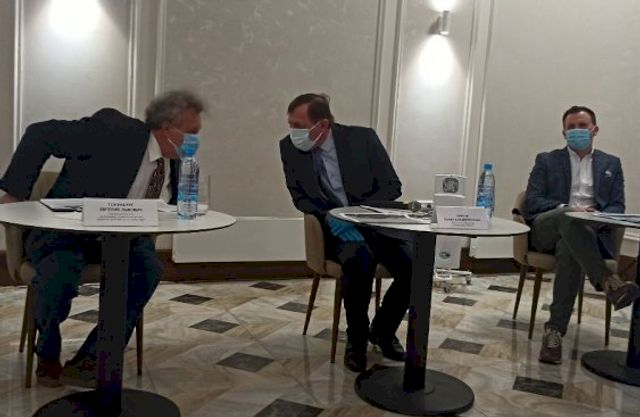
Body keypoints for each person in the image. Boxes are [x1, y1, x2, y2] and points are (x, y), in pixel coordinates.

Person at [0, 90, 205, 386]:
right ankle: (47, 350)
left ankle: (94, 359)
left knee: (148, 269)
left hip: (120, 240)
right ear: (167, 127)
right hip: (65, 233)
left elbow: (170, 207)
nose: (196, 140)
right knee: (59, 274)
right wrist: (15, 192)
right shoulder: (113, 129)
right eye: (193, 132)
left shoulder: (173, 160)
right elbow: (39, 134)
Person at [279, 93, 411, 372]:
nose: (293, 132)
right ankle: (356, 340)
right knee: (359, 260)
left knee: (414, 265)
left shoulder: (362, 139)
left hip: (376, 225)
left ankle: (383, 331)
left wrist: (355, 215)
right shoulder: (288, 148)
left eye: (298, 126)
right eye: (290, 124)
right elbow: (299, 197)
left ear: (323, 124)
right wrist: (330, 217)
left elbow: (392, 186)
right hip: (336, 231)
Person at [524, 105, 640, 365]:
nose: (577, 131)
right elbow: (533, 201)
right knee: (569, 217)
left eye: (582, 126)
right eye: (571, 127)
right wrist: (568, 209)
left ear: (594, 130)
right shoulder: (546, 160)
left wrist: (596, 218)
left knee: (571, 247)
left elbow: (617, 206)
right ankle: (609, 281)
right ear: (564, 133)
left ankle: (554, 333)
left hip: (589, 232)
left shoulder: (611, 164)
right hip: (548, 228)